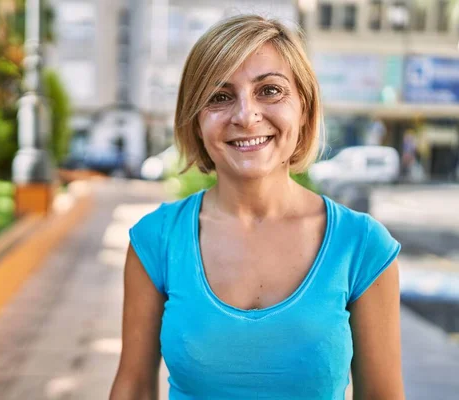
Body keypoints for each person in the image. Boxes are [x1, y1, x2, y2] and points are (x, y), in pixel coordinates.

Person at [110, 15, 404, 400]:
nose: (246, 116)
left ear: (304, 107)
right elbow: (133, 388)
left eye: (269, 90)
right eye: (219, 96)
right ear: (197, 121)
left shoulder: (363, 246)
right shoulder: (156, 241)